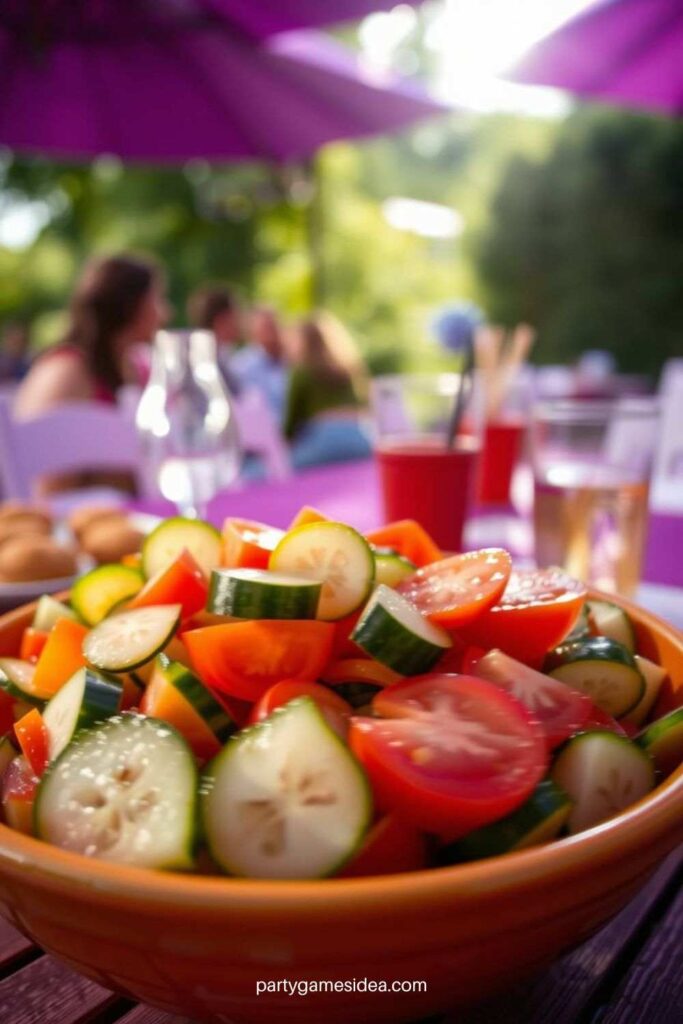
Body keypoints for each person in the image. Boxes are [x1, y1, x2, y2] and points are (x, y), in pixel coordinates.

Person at [15, 254, 168, 418]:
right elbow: (30, 438)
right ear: (130, 305)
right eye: (157, 299)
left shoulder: (140, 367)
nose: (165, 313)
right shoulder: (66, 370)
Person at [284, 312, 371, 469]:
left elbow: (292, 421)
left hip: (323, 436)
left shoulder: (301, 372)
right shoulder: (347, 368)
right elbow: (363, 403)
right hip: (360, 435)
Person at [231, 305, 288, 419]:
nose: (270, 334)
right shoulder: (242, 365)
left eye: (272, 327)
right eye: (265, 328)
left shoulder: (294, 360)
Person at [186, 284, 242, 394]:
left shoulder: (223, 354)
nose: (240, 321)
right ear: (221, 319)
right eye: (236, 316)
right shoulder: (200, 361)